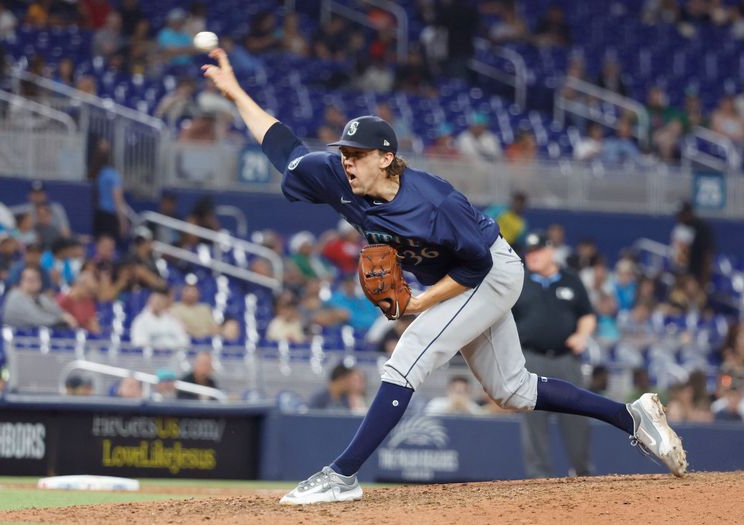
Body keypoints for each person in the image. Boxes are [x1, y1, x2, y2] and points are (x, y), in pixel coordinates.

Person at [202, 48, 687, 505]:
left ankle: (341, 476)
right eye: (344, 152)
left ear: (386, 158)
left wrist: (418, 304)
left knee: (409, 354)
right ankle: (632, 416)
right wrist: (234, 92)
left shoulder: (434, 203)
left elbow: (476, 267)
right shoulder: (333, 175)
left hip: (491, 271)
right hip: (463, 277)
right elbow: (281, 145)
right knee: (512, 391)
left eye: (358, 154)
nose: (346, 160)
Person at [512, 231, 597, 479]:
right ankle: (539, 476)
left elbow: (587, 314)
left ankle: (582, 471)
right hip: (531, 359)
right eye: (529, 253)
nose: (533, 257)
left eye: (537, 251)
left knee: (577, 419)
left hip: (566, 359)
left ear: (550, 251)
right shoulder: (521, 282)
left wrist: (582, 335)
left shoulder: (571, 280)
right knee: (533, 420)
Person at [2, 267, 79, 329]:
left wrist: (65, 316)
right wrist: (61, 321)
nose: (32, 283)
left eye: (36, 279)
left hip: (32, 337)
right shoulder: (15, 297)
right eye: (29, 280)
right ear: (21, 282)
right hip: (15, 340)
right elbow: (38, 319)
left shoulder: (40, 297)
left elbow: (56, 310)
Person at [88, 140, 128, 242]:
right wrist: (122, 221)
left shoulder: (98, 174)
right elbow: (118, 200)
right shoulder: (113, 175)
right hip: (110, 217)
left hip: (99, 215)